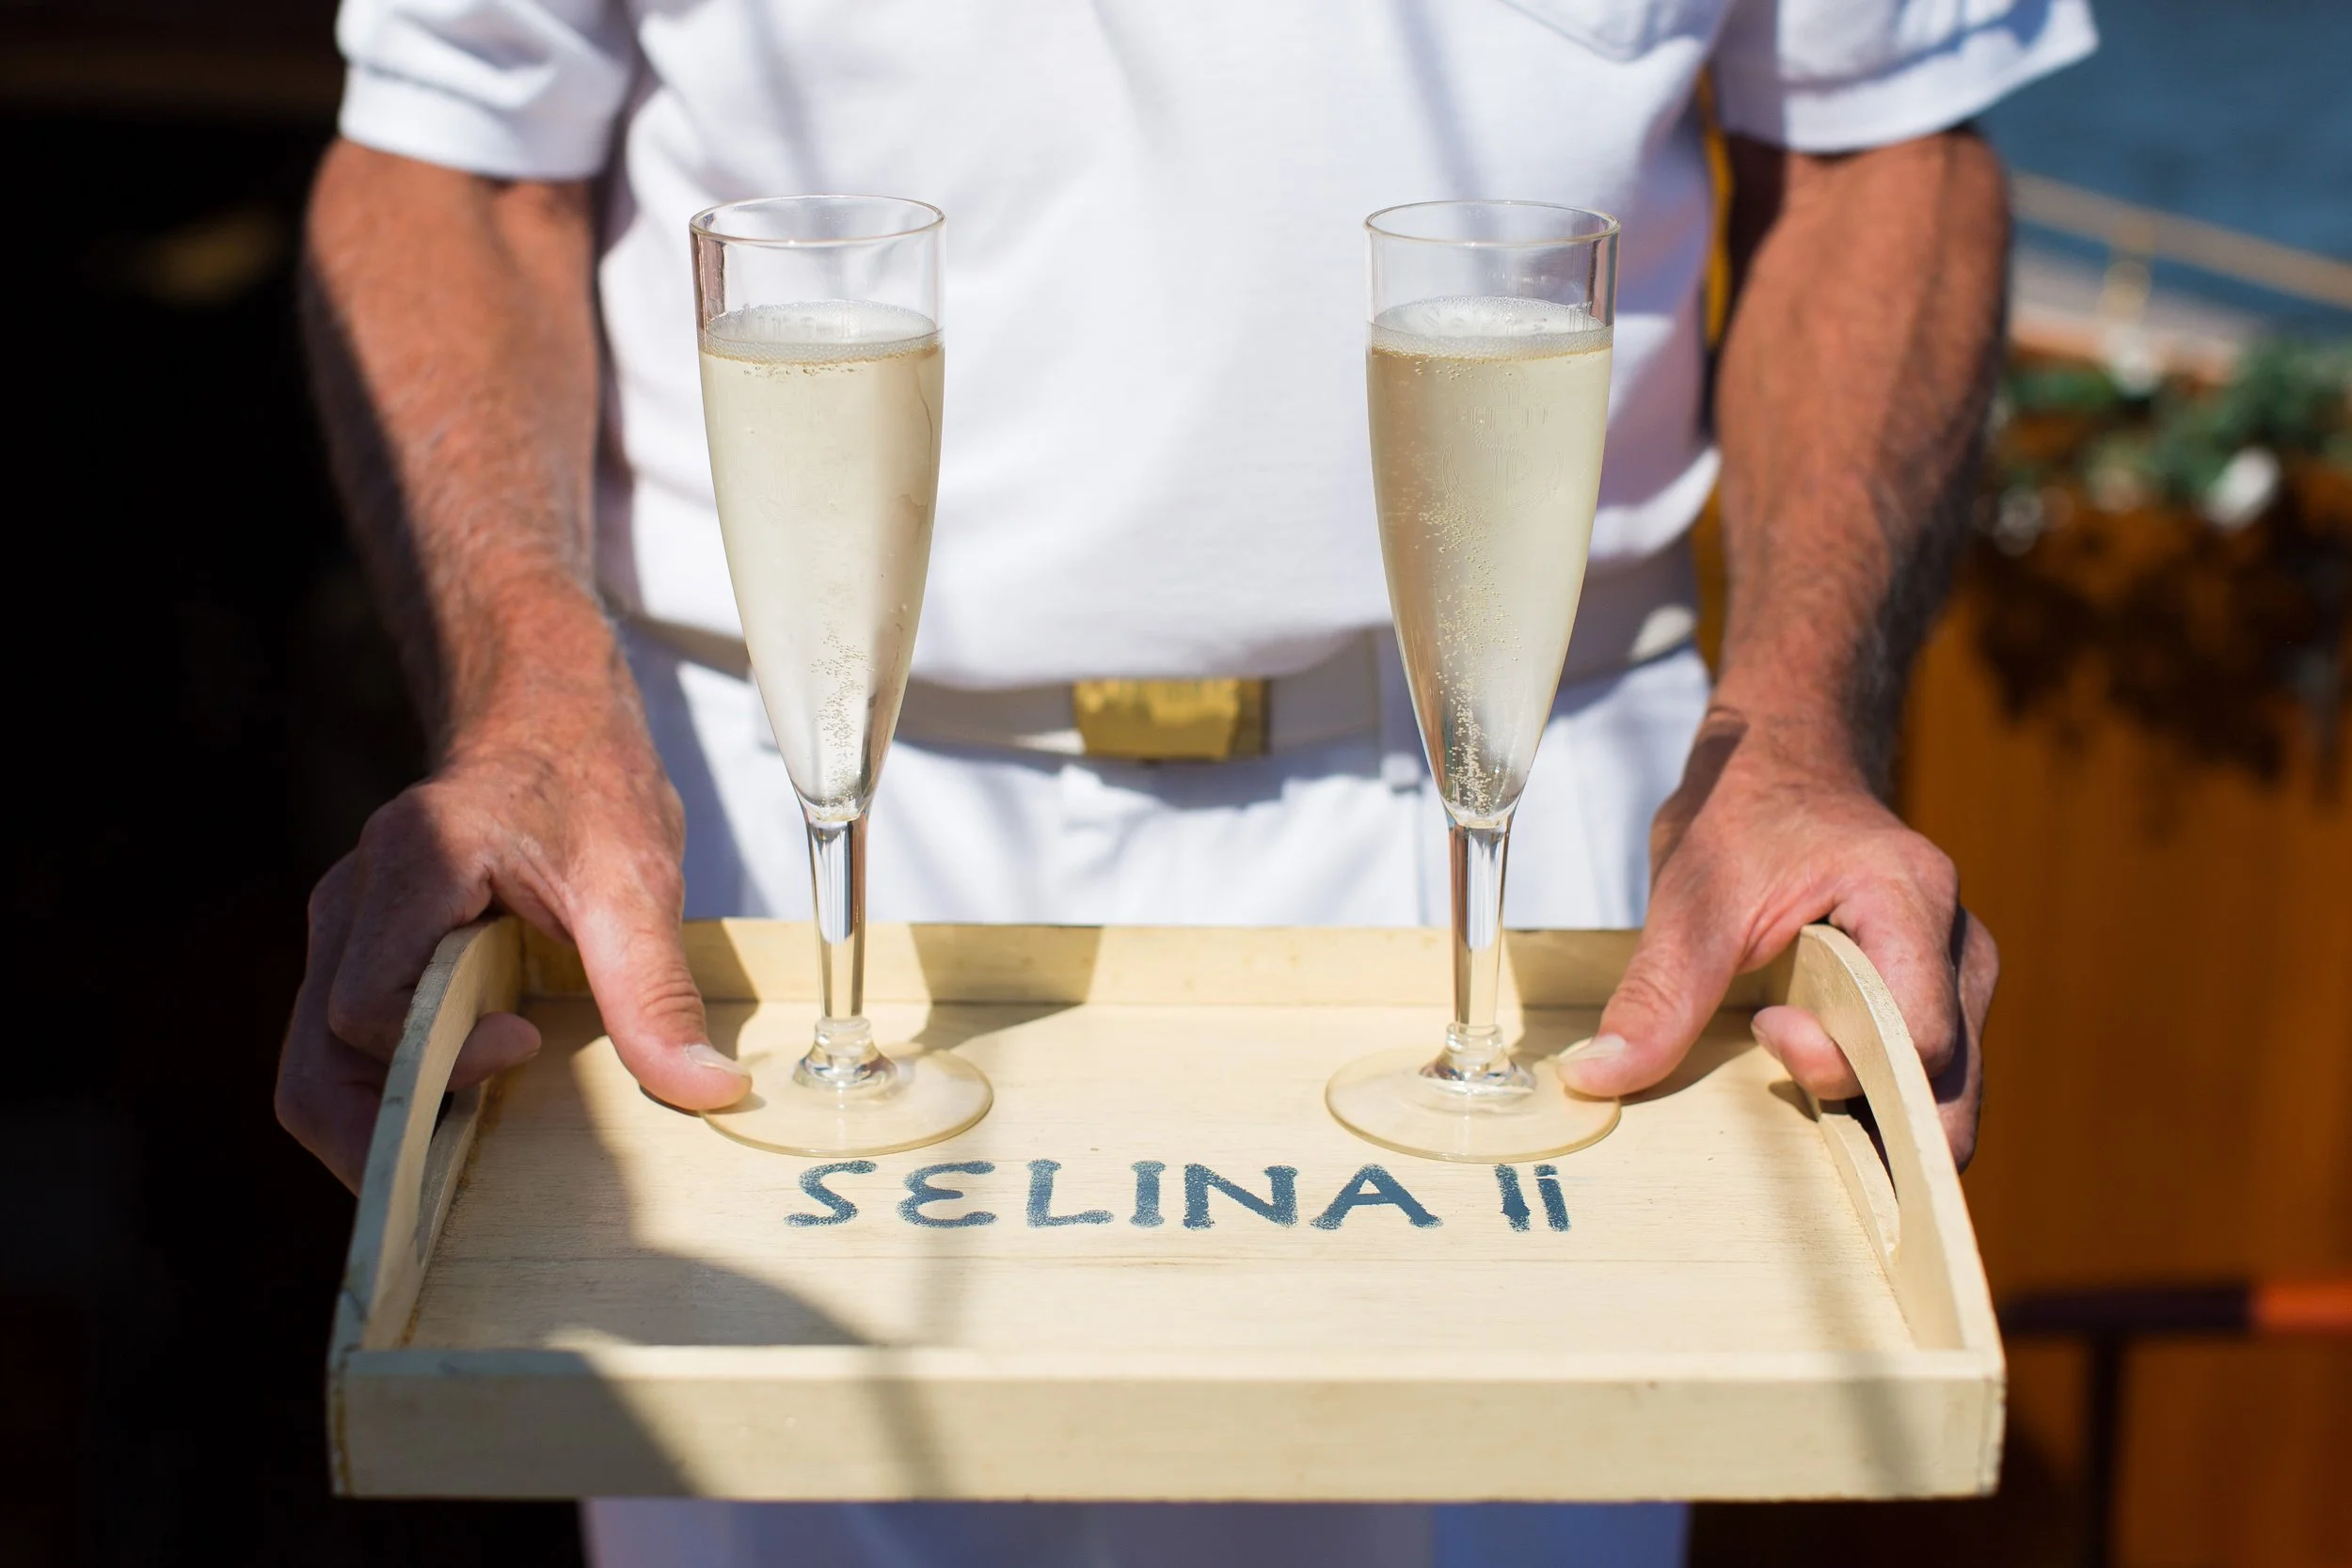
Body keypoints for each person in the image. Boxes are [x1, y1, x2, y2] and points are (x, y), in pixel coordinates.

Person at [278, 3, 2087, 1563]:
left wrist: (1798, 729)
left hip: (1541, 849)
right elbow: (454, 150)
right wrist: (523, 691)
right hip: (757, 861)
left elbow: (1880, 140)